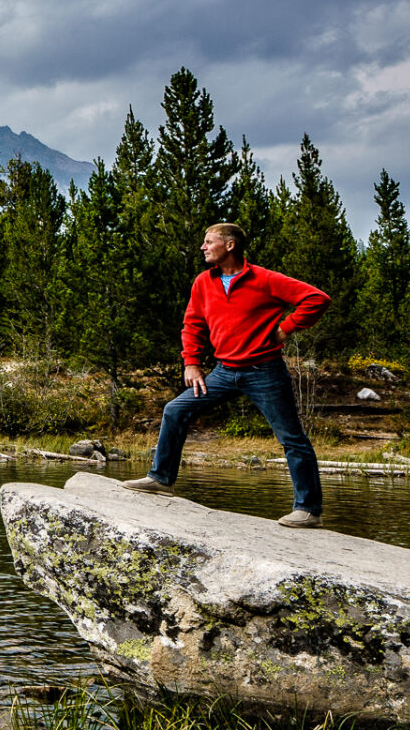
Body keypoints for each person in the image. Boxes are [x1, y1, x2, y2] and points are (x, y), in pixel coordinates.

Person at [123, 222, 329, 527]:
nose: (203, 247)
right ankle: (162, 478)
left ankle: (308, 509)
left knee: (291, 438)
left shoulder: (265, 279)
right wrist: (191, 363)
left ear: (229, 245)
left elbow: (317, 299)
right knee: (175, 410)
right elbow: (192, 324)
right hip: (223, 371)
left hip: (264, 372)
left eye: (209, 242)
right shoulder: (203, 282)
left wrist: (285, 329)